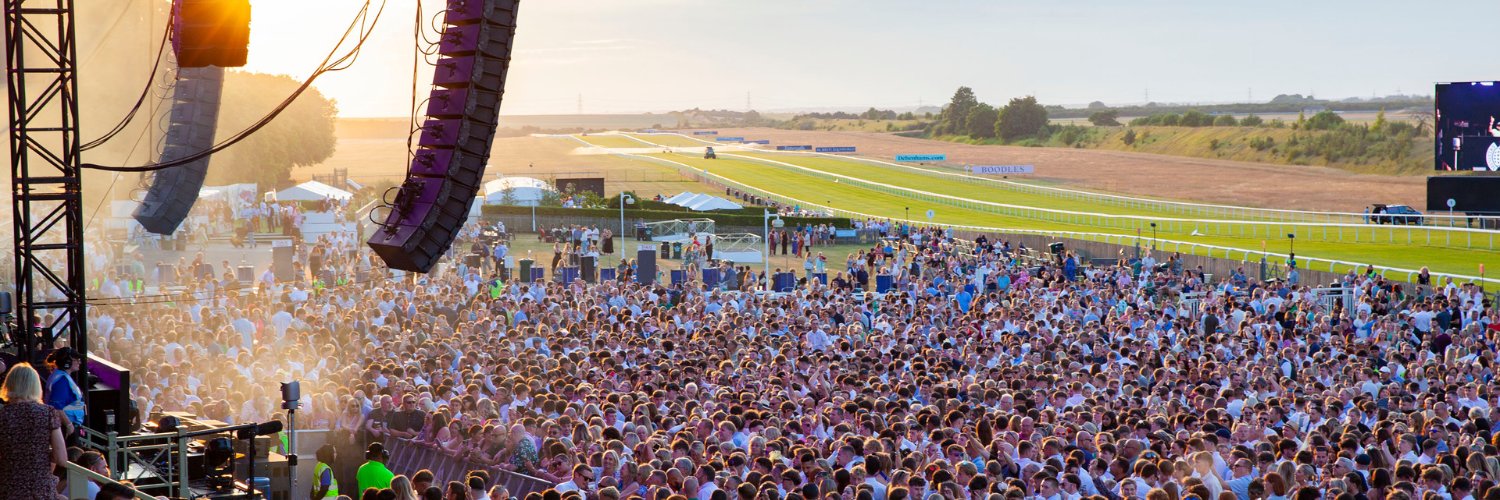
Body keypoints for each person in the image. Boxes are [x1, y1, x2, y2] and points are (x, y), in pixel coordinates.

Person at [0, 363, 69, 498]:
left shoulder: (2, 415)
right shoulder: (47, 413)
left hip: (8, 489)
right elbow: (61, 459)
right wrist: (41, 454)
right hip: (40, 489)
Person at [45, 347, 86, 426]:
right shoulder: (61, 380)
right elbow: (56, 406)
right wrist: (69, 425)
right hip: (66, 426)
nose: (79, 362)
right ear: (67, 362)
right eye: (76, 360)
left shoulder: (61, 376)